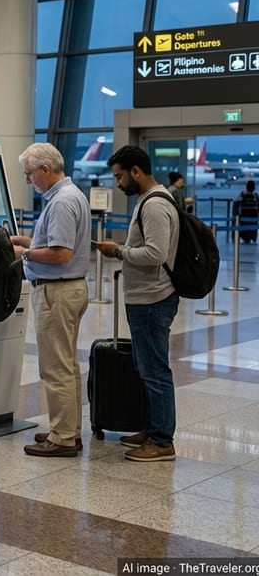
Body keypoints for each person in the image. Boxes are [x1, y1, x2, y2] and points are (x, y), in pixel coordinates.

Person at [97, 145, 180, 463]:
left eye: (119, 176)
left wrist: (118, 251)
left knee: (155, 370)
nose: (117, 183)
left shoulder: (154, 205)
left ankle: (162, 440)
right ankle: (152, 428)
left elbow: (156, 254)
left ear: (136, 171)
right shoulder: (152, 200)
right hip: (146, 297)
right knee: (147, 368)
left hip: (152, 298)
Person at [10, 144, 91, 458]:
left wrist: (24, 253)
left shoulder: (61, 202)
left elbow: (61, 253)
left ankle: (63, 437)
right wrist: (27, 241)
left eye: (29, 174)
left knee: (55, 367)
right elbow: (56, 243)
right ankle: (67, 429)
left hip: (57, 291)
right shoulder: (71, 195)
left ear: (45, 169)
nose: (29, 181)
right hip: (70, 288)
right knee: (67, 365)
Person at [236, 179, 258, 243]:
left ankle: (247, 239)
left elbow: (237, 204)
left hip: (244, 217)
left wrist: (237, 214)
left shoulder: (242, 194)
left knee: (245, 233)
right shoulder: (256, 196)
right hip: (253, 217)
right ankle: (251, 238)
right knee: (252, 231)